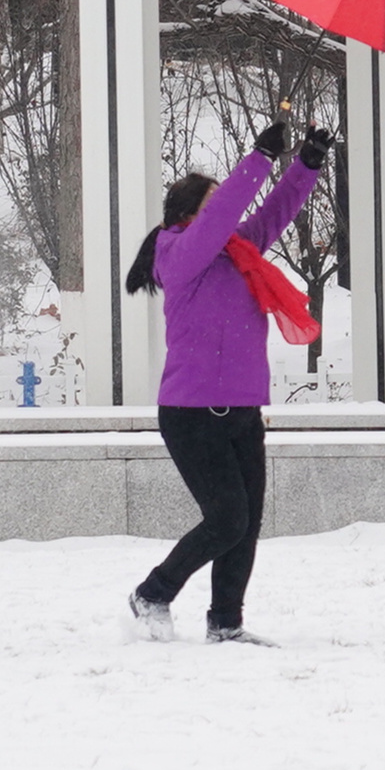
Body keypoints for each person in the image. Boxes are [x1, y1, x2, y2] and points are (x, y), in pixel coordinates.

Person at [123, 122, 332, 641]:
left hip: (242, 410)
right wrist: (259, 157)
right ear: (188, 215)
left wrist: (307, 162)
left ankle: (226, 623)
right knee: (226, 519)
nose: (229, 214)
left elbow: (275, 211)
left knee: (246, 524)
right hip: (192, 414)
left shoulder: (239, 250)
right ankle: (153, 593)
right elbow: (224, 214)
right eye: (215, 205)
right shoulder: (179, 254)